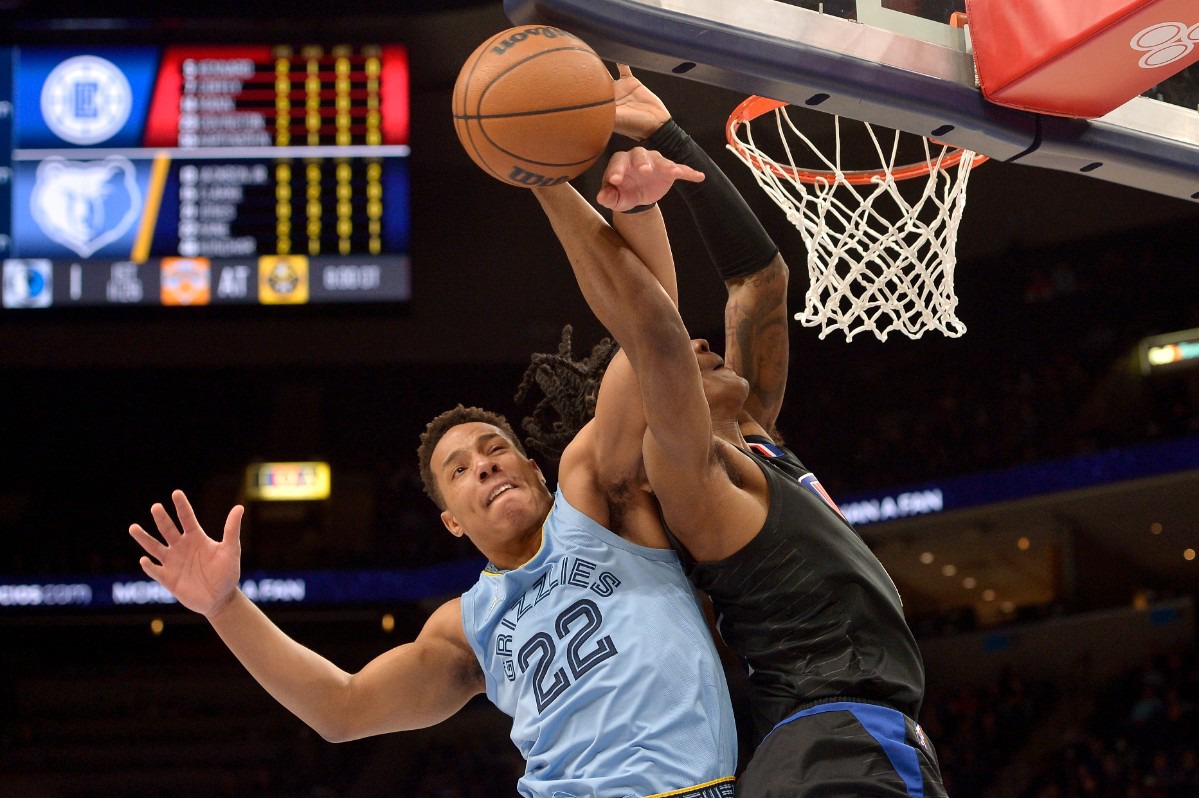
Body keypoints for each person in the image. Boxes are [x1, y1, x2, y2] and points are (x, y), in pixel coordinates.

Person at [128, 155, 740, 797]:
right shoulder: (467, 625)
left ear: (536, 470)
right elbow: (343, 710)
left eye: (493, 449)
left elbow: (651, 338)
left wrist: (639, 211)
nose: (484, 464)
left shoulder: (597, 498)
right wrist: (226, 607)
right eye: (461, 470)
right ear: (452, 519)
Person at [522, 67, 949, 797]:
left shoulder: (754, 435)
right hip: (835, 743)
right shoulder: (690, 475)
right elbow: (652, 332)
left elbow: (760, 281)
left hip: (832, 744)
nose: (697, 345)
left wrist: (664, 132)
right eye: (676, 358)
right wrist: (541, 174)